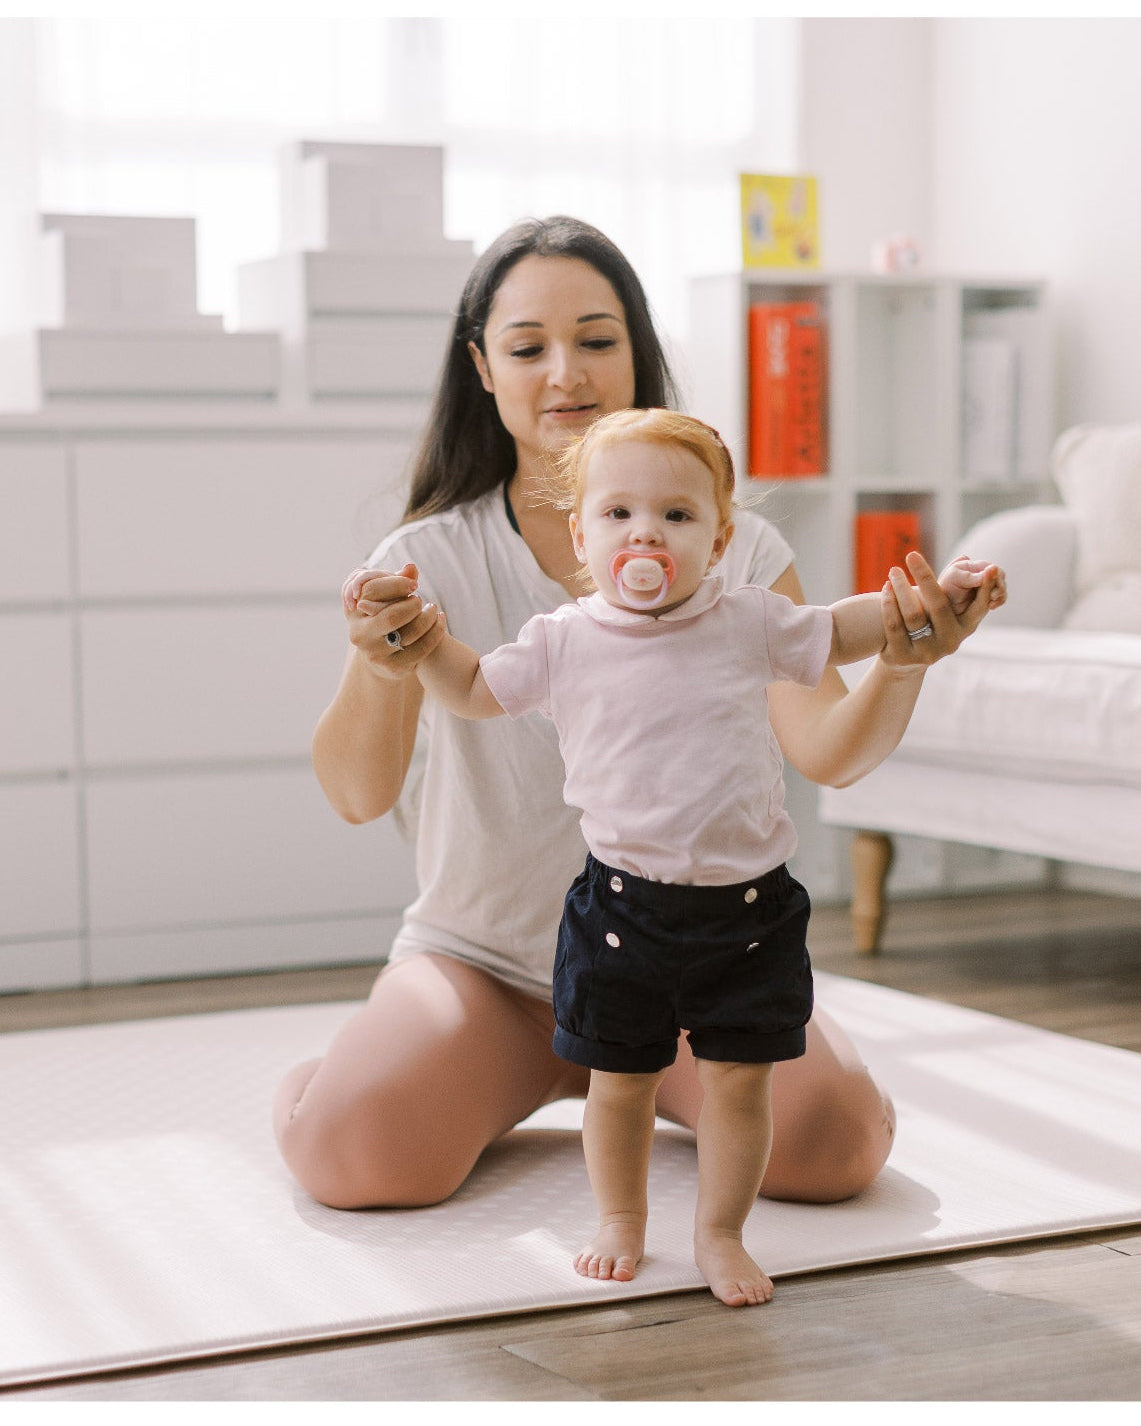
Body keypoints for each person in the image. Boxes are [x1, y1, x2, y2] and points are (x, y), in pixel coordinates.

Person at [273, 215, 1005, 1245]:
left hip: (697, 966)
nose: (565, 371)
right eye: (527, 347)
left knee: (833, 1149)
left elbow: (828, 749)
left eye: (597, 337)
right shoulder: (425, 558)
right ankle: (338, 1075)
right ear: (482, 367)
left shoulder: (736, 550)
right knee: (355, 1154)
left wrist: (901, 660)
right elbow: (356, 793)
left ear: (639, 351)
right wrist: (379, 651)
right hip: (488, 971)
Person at [408, 407, 1001, 1307]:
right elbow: (473, 689)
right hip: (621, 910)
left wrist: (928, 606)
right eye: (617, 515)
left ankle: (720, 1232)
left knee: (738, 1086)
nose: (645, 532)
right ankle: (620, 1219)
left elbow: (847, 627)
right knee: (620, 1083)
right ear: (581, 535)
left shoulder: (749, 622)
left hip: (746, 913)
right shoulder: (564, 639)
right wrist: (418, 643)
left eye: (676, 517)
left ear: (720, 540)